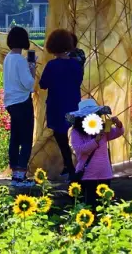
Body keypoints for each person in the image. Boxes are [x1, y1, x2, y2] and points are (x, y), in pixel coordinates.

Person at [39, 29, 84, 180]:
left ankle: (69, 167)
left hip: (56, 105)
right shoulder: (76, 65)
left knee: (61, 138)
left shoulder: (51, 65)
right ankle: (77, 167)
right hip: (73, 104)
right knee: (78, 136)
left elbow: (43, 84)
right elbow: (78, 81)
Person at [68, 98, 125, 207]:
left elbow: (119, 132)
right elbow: (80, 150)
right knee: (90, 205)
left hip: (105, 173)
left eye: (95, 114)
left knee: (105, 206)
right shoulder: (76, 132)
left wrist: (118, 123)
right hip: (88, 175)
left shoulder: (102, 128)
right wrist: (96, 141)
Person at [3, 26, 37, 187]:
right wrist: (33, 71)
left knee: (15, 138)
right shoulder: (20, 60)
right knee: (26, 139)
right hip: (22, 101)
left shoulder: (8, 58)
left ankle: (15, 172)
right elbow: (29, 85)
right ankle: (20, 176)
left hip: (10, 102)